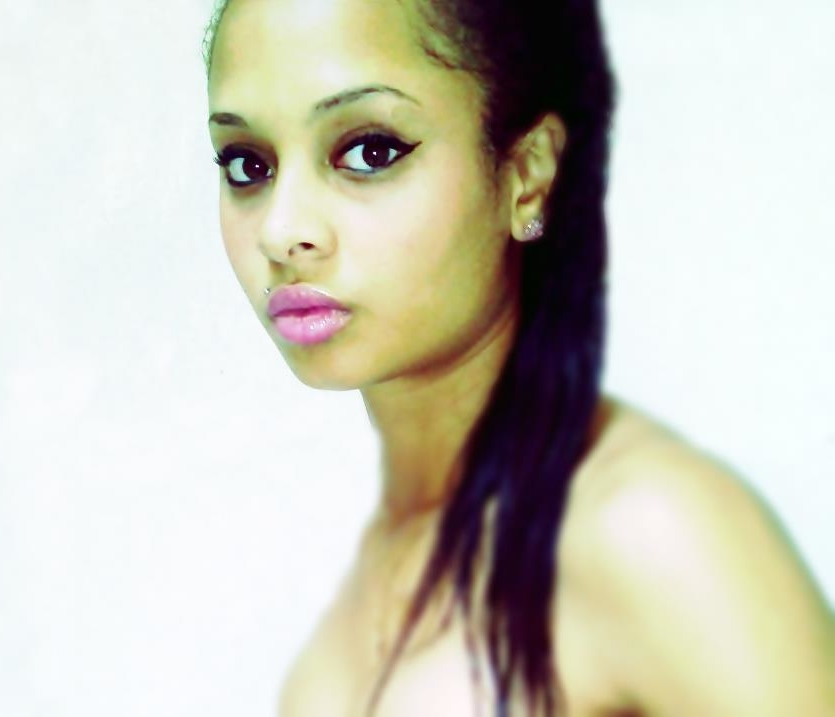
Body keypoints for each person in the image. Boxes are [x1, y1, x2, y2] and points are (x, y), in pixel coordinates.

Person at [201, 0, 835, 715]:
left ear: (528, 174)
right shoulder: (385, 549)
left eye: (370, 151)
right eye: (247, 164)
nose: (282, 229)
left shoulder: (649, 531)